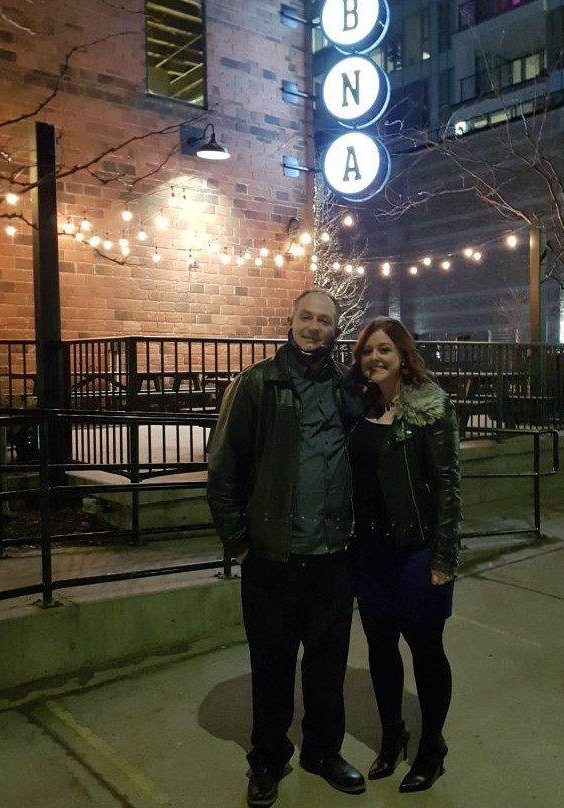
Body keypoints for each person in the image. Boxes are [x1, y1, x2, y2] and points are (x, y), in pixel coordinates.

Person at [206, 290, 365, 808]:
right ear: (290, 321)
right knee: (272, 667)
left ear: (335, 331)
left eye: (324, 321)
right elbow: (222, 469)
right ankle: (267, 760)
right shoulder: (257, 383)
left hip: (333, 556)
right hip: (273, 558)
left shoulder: (348, 387)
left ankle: (323, 752)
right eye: (306, 317)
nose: (314, 327)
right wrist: (238, 544)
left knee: (328, 667)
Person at [344, 316, 462, 793]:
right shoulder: (359, 405)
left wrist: (444, 558)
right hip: (368, 552)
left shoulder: (429, 408)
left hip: (416, 550)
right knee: (380, 649)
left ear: (402, 355)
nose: (374, 358)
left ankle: (432, 746)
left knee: (426, 650)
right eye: (367, 350)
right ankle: (393, 734)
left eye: (384, 350)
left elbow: (448, 484)